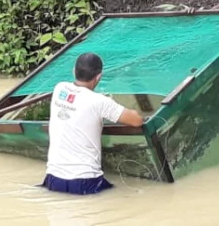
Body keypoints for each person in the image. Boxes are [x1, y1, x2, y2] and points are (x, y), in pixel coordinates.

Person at [41, 52, 145, 195]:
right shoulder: (99, 101)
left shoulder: (60, 89)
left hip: (53, 180)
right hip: (85, 182)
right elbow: (137, 120)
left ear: (73, 71)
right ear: (98, 77)